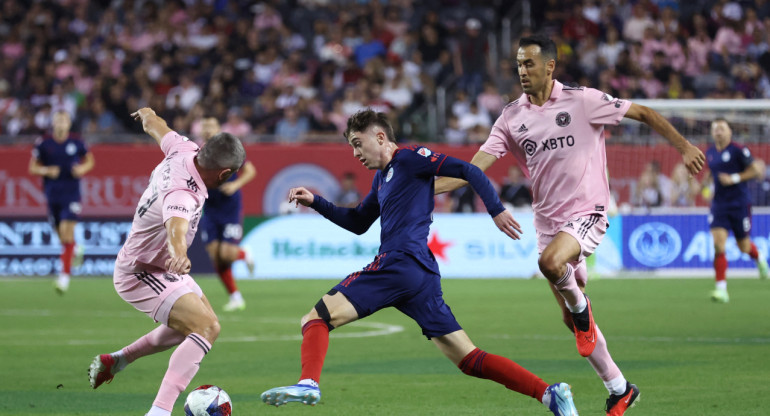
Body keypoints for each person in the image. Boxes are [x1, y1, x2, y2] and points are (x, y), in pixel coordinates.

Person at [434, 35, 706, 416]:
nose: (522, 71)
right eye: (518, 64)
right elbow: (472, 170)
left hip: (588, 212)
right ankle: (619, 387)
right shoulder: (512, 116)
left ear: (549, 66)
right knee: (567, 315)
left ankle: (582, 313)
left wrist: (684, 146)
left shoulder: (583, 100)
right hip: (546, 222)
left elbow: (643, 113)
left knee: (551, 266)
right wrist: (423, 186)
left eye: (529, 64)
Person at [259, 109, 579, 415]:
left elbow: (468, 170)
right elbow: (358, 221)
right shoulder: (382, 179)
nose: (355, 153)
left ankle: (308, 383)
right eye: (351, 146)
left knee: (315, 318)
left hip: (399, 263)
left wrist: (495, 209)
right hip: (419, 274)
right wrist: (316, 201)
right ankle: (550, 394)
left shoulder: (410, 158)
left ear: (381, 137)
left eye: (358, 143)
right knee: (468, 359)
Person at [87, 108, 246, 416]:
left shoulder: (184, 147)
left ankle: (119, 359)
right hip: (141, 271)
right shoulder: (184, 193)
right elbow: (176, 224)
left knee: (197, 325)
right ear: (224, 174)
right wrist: (180, 254)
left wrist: (148, 114)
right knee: (206, 327)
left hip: (156, 265)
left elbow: (157, 126)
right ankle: (159, 411)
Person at [701, 118, 768, 303]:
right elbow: (709, 175)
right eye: (715, 129)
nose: (718, 132)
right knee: (718, 245)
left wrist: (734, 178)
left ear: (730, 132)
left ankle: (759, 257)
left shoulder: (739, 150)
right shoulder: (711, 152)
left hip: (740, 204)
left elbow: (756, 170)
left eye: (722, 128)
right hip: (719, 205)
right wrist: (705, 188)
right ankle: (721, 289)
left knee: (743, 246)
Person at [28, 110, 94, 294]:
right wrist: (47, 171)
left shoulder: (76, 142)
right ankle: (75, 247)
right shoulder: (44, 143)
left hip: (71, 195)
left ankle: (64, 278)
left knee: (66, 233)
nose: (61, 123)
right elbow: (32, 168)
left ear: (68, 124)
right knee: (62, 237)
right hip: (52, 195)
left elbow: (90, 161)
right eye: (58, 120)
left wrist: (82, 169)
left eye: (64, 120)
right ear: (53, 123)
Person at [198, 116, 257, 312]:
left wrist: (236, 184)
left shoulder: (229, 148)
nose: (207, 130)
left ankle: (243, 254)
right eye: (204, 126)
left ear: (219, 129)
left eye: (211, 126)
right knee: (215, 255)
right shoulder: (196, 153)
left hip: (229, 207)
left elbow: (250, 171)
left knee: (226, 253)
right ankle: (235, 297)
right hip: (211, 208)